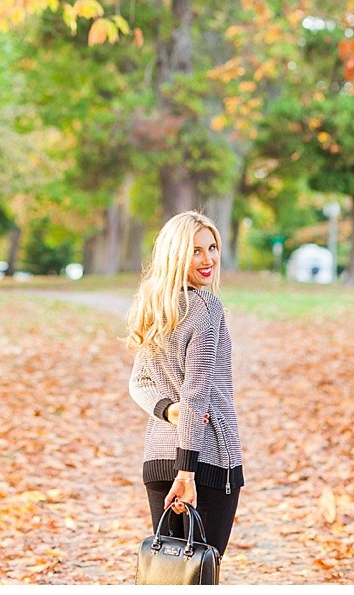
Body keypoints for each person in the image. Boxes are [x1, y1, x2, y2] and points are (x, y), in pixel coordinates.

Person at [127, 210, 244, 565]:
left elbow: (140, 383)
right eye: (195, 251)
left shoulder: (155, 306)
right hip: (203, 463)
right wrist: (187, 473)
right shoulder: (205, 307)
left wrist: (166, 410)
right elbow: (196, 396)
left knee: (169, 573)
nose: (208, 259)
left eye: (212, 247)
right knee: (199, 573)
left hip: (158, 460)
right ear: (175, 254)